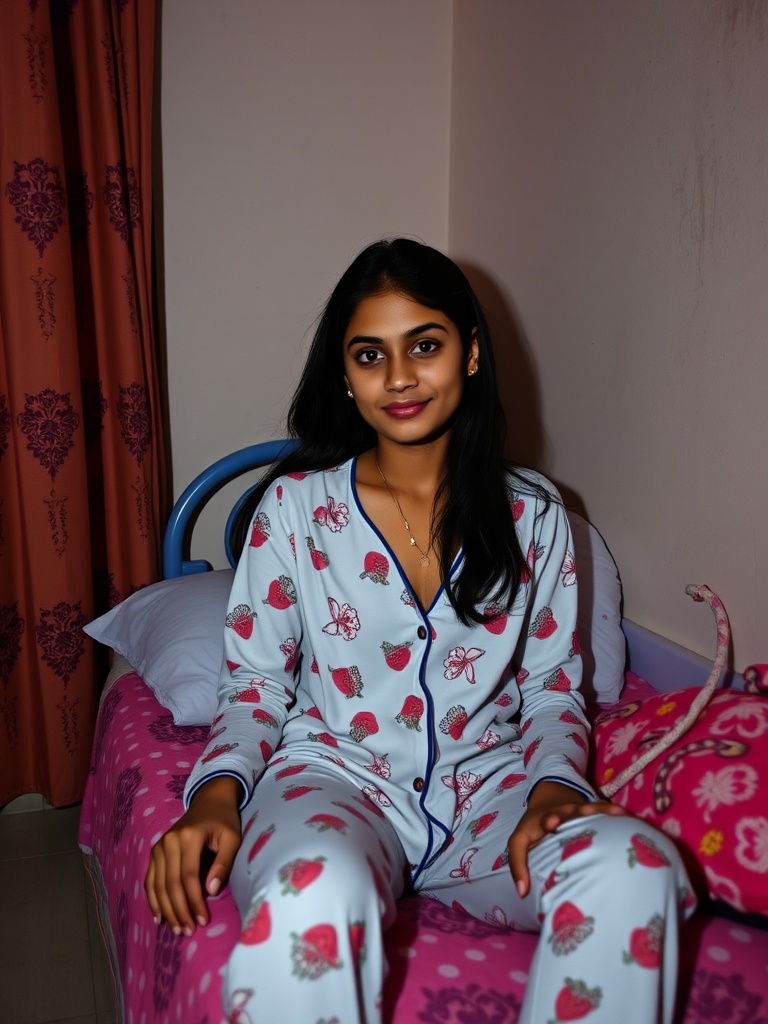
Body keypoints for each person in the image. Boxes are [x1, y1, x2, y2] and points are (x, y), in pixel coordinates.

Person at [145, 238, 694, 1024]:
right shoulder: (295, 512)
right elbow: (256, 685)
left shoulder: (536, 515)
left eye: (424, 346)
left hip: (490, 795)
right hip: (332, 783)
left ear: (470, 352)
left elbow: (550, 688)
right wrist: (217, 797)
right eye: (370, 354)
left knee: (637, 864)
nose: (399, 377)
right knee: (314, 894)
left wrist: (551, 787)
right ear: (345, 375)